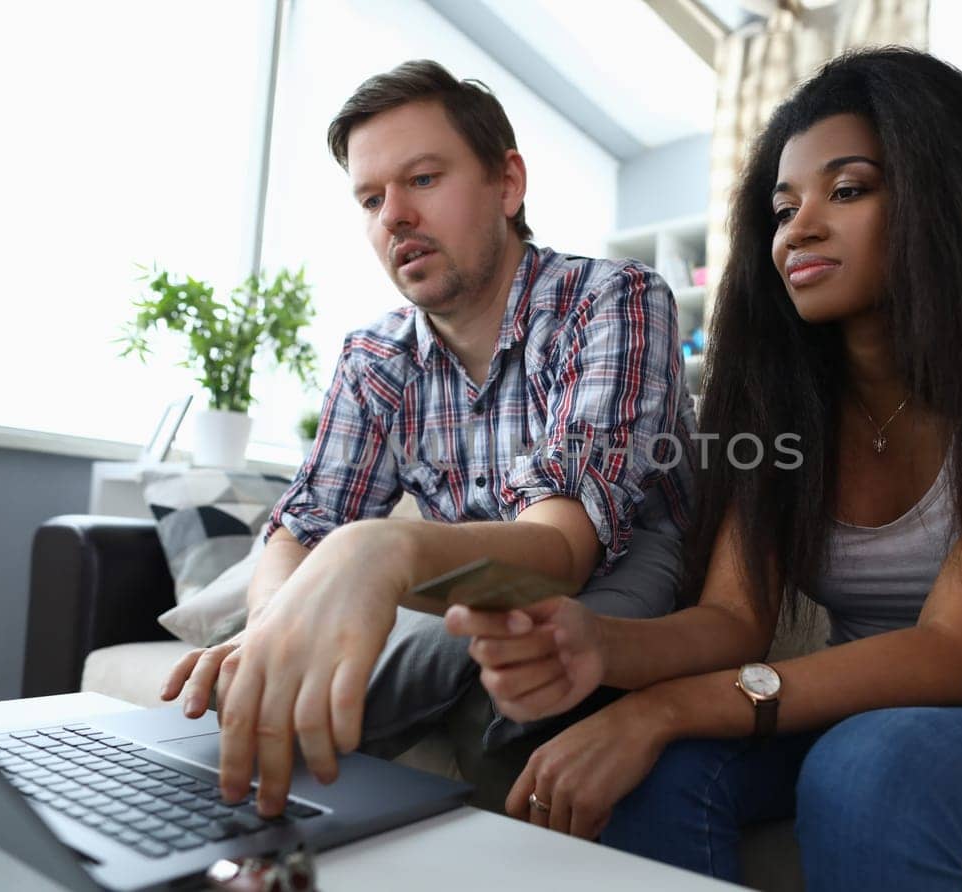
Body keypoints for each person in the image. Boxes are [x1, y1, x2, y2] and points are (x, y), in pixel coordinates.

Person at [449, 47, 962, 888]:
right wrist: (592, 645)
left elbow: (949, 654)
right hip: (858, 713)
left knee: (866, 768)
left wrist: (664, 706)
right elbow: (731, 623)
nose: (800, 229)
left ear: (953, 200)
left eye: (848, 190)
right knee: (661, 775)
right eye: (784, 209)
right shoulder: (774, 407)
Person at [158, 59, 695, 820]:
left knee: (508, 665)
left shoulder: (613, 299)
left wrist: (380, 552)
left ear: (507, 184)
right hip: (463, 573)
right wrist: (276, 627)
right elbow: (301, 528)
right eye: (371, 199)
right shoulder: (376, 357)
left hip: (624, 550)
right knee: (258, 687)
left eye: (423, 180)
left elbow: (566, 547)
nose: (394, 217)